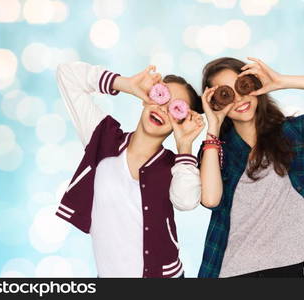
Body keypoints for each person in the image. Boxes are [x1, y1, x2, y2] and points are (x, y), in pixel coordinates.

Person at [197, 57, 304, 278]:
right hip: (233, 271)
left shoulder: (291, 134)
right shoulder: (216, 149)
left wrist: (281, 81)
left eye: (241, 86)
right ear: (214, 102)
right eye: (225, 94)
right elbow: (210, 200)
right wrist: (213, 126)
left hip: (288, 269)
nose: (238, 99)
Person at [55, 61, 205, 278]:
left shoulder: (176, 166)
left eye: (176, 108)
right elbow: (67, 73)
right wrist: (126, 84)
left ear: (181, 120)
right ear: (147, 98)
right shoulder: (103, 138)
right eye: (161, 95)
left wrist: (184, 146)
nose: (163, 109)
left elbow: (187, 201)